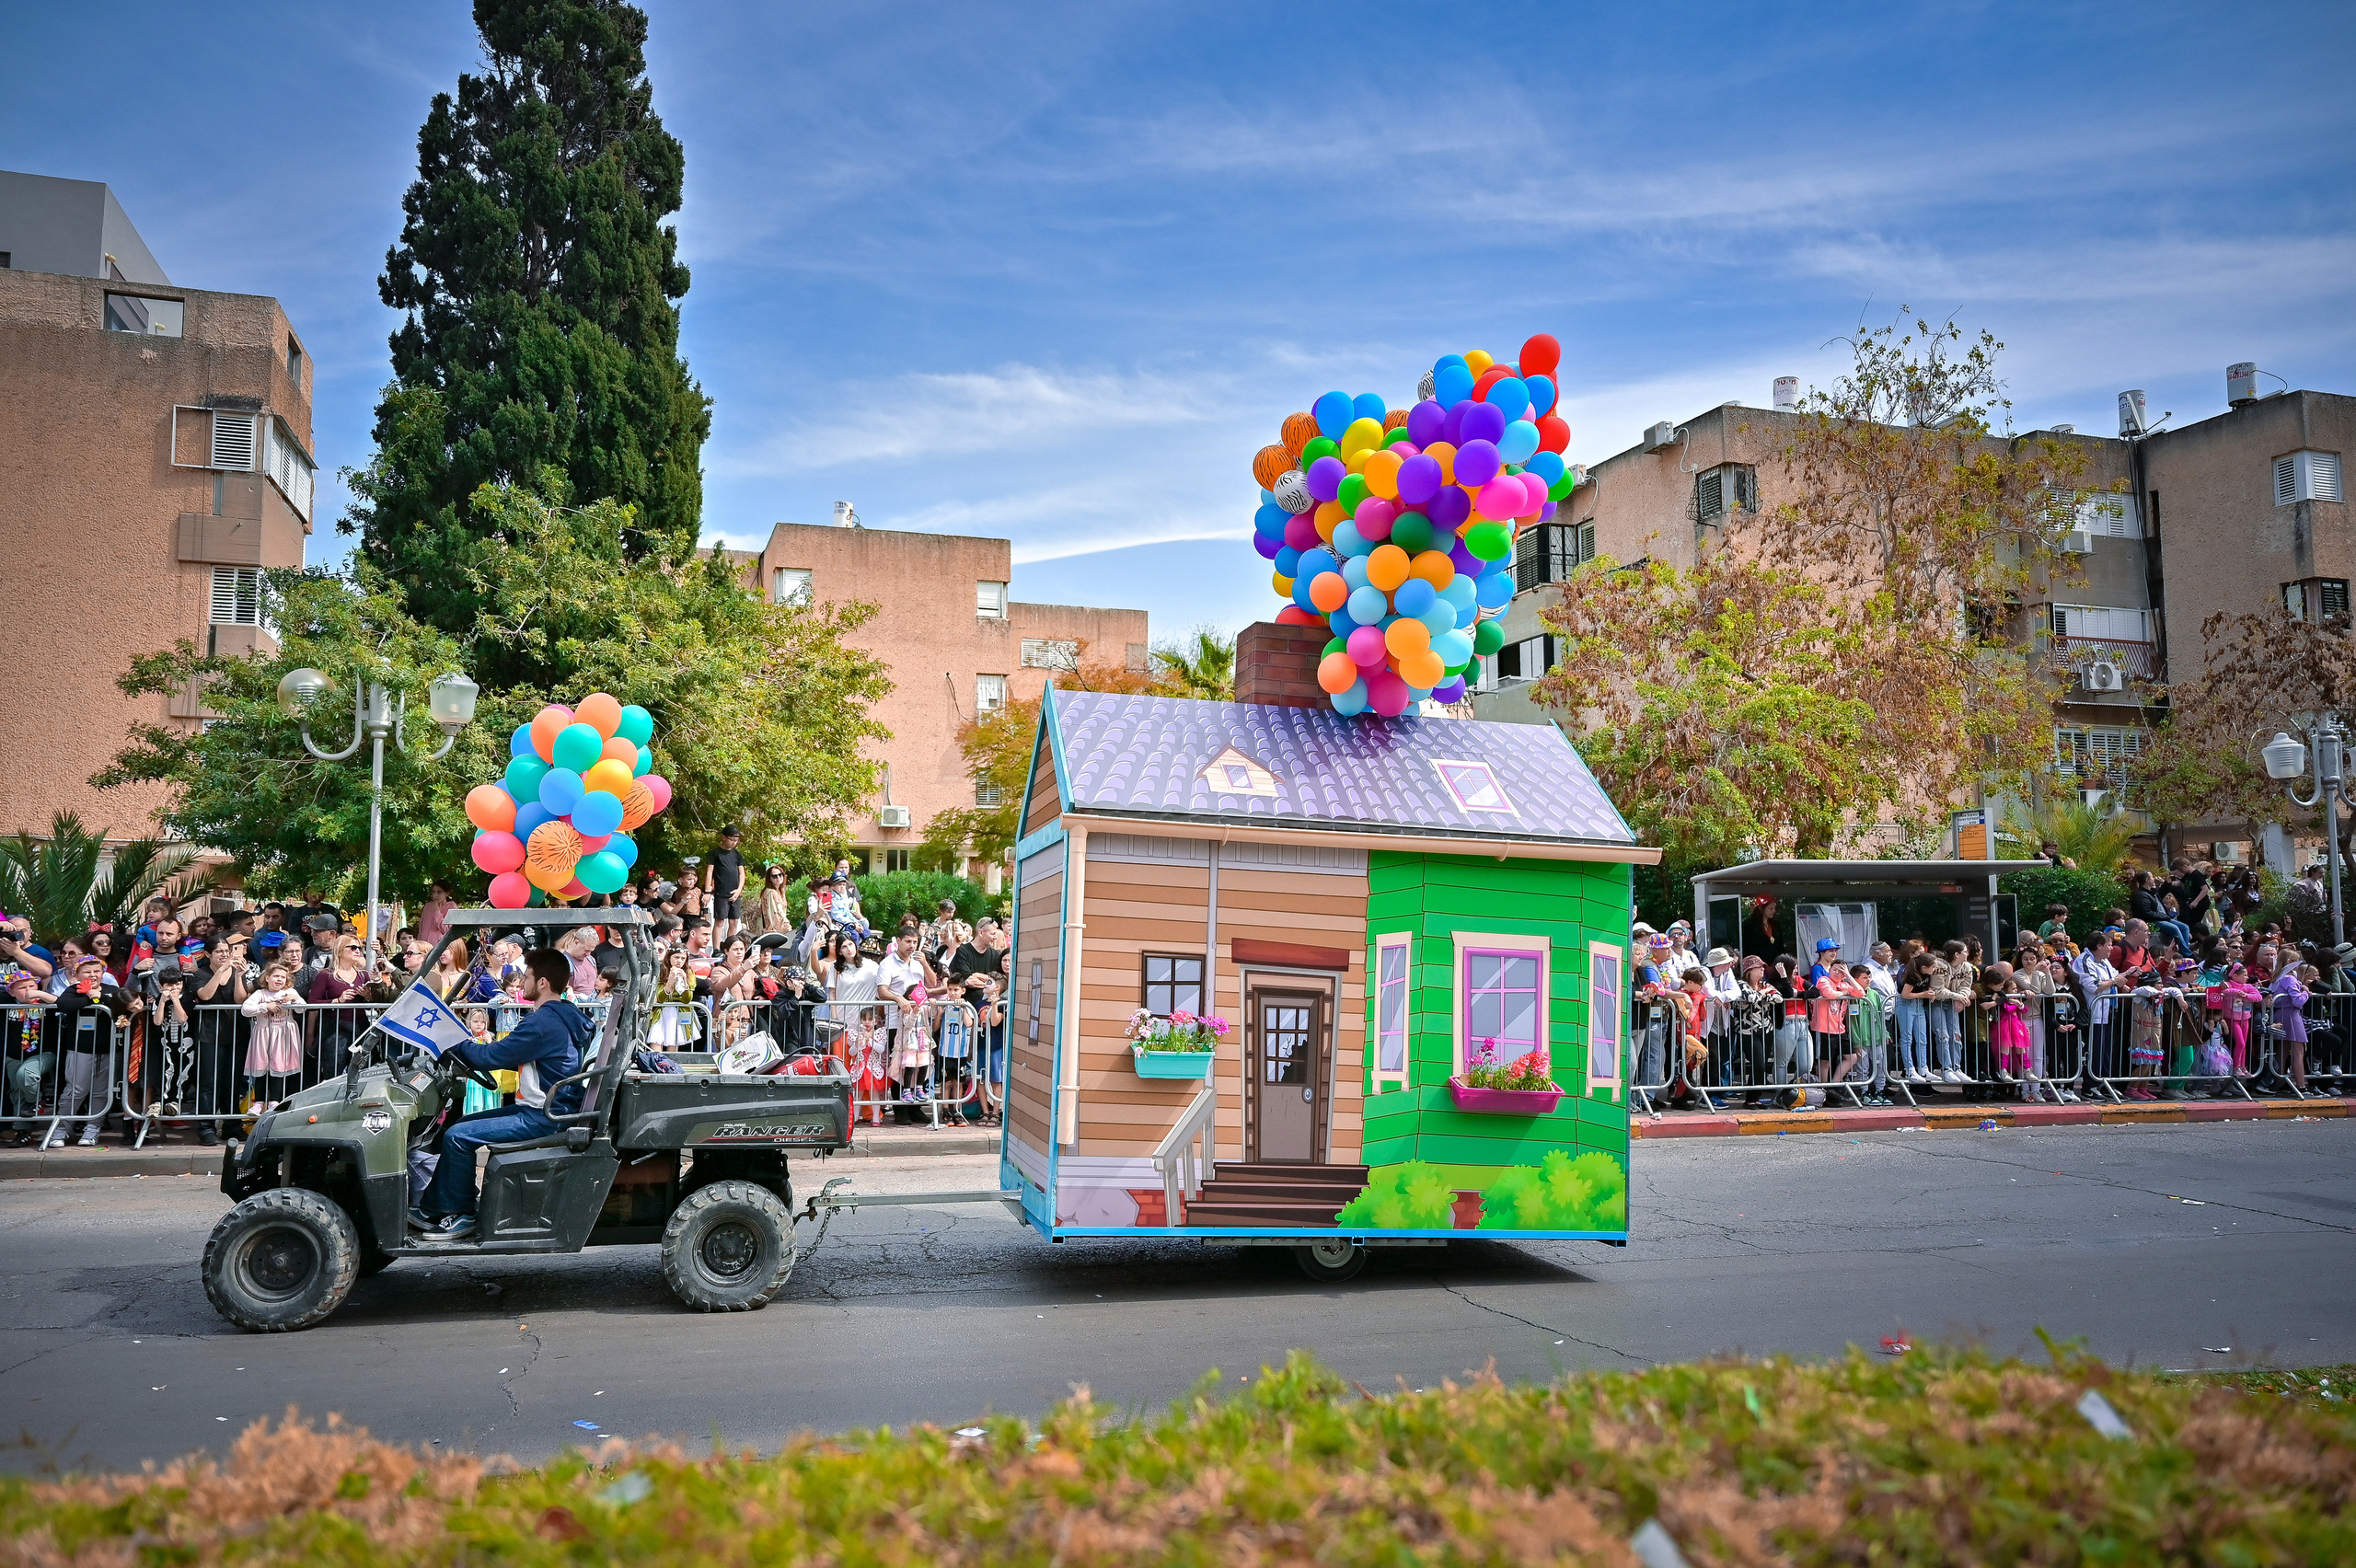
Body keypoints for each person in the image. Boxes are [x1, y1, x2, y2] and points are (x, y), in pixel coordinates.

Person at [413, 950, 596, 1241]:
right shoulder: (565, 1015)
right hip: (550, 1108)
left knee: (458, 1137)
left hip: (544, 1117)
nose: (523, 981)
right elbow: (530, 1060)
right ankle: (435, 1208)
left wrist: (451, 1040)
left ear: (543, 982)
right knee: (459, 1127)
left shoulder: (541, 1023)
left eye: (528, 976)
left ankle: (462, 1215)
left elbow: (488, 1056)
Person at [877, 928, 939, 1121]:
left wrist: (925, 963)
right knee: (901, 1064)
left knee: (920, 1063)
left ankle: (915, 1108)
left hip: (920, 1023)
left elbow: (933, 982)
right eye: (908, 941)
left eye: (914, 941)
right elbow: (882, 990)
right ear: (898, 941)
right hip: (898, 1021)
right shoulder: (887, 963)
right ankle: (900, 1110)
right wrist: (898, 999)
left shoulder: (918, 962)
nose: (911, 945)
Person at [705, 827, 747, 945]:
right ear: (724, 837)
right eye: (732, 839)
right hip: (721, 893)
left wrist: (739, 890)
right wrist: (707, 891)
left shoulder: (737, 855)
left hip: (735, 892)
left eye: (736, 840)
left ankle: (730, 945)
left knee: (734, 921)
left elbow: (741, 873)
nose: (734, 842)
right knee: (720, 921)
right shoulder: (715, 854)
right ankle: (717, 948)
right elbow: (709, 873)